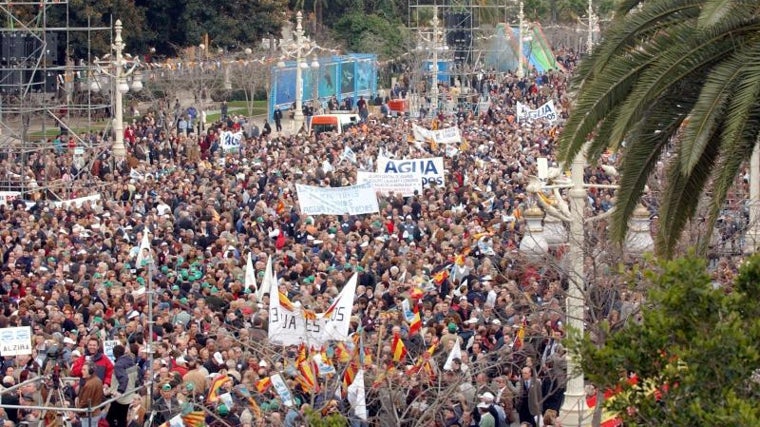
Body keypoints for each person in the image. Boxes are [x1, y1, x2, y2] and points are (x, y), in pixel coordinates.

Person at [106, 344, 139, 427]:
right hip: (129, 394)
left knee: (110, 418)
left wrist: (120, 391)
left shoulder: (118, 365)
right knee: (121, 419)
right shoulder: (131, 361)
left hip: (120, 397)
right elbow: (138, 374)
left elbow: (124, 379)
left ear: (114, 354)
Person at [76, 362, 104, 427]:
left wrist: (78, 410)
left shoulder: (89, 384)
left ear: (90, 371)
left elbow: (85, 402)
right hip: (95, 413)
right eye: (82, 369)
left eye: (84, 370)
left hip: (89, 415)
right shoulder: (98, 380)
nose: (82, 371)